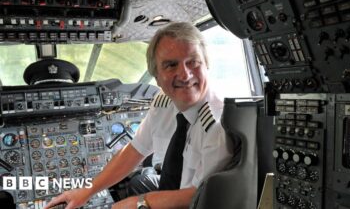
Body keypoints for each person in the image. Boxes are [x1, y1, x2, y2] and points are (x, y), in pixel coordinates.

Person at [45, 22, 232, 209]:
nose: (184, 74)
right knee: (138, 183)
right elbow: (135, 150)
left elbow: (200, 196)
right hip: (176, 188)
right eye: (171, 65)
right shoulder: (164, 104)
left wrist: (140, 203)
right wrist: (86, 191)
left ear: (207, 65)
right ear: (157, 77)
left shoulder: (218, 123)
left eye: (193, 61)